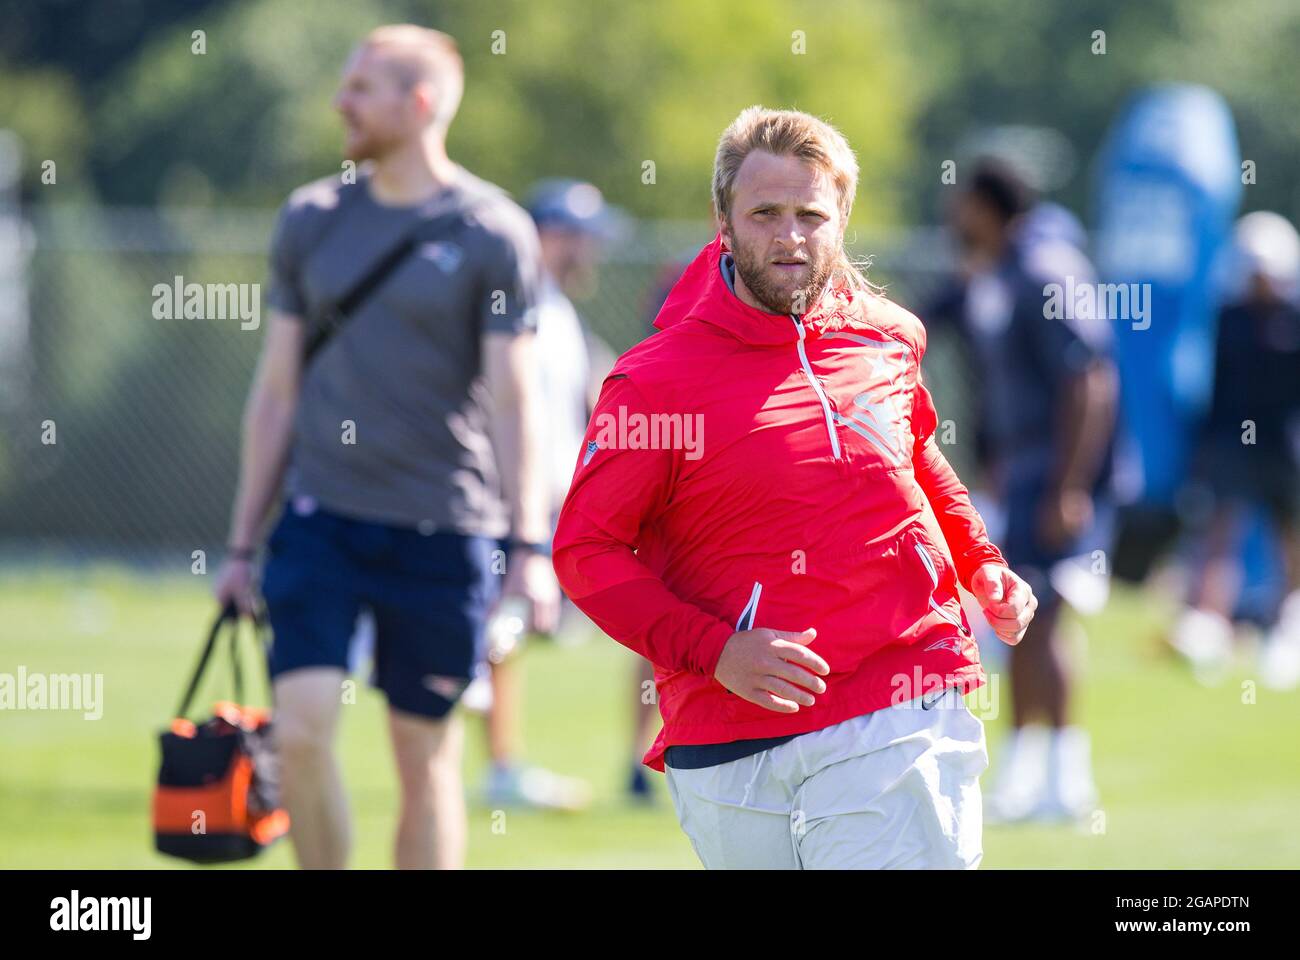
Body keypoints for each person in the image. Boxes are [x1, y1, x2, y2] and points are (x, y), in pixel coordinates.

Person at [552, 107, 1037, 869]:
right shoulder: (654, 380)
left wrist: (981, 563)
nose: (790, 236)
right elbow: (587, 550)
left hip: (899, 695)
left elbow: (914, 455)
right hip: (727, 733)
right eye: (765, 213)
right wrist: (717, 651)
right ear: (723, 219)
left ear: (842, 215)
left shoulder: (890, 336)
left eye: (811, 213)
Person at [212, 24, 559, 869]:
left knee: (425, 756)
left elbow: (517, 401)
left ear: (421, 103)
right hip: (320, 519)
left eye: (361, 88)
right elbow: (277, 393)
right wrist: (238, 544)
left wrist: (530, 545)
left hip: (444, 531)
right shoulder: (311, 218)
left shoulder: (491, 230)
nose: (341, 103)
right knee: (301, 733)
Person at [935, 158, 1118, 823]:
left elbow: (1089, 378)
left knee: (1046, 618)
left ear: (988, 205)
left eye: (963, 201)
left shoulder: (1045, 270)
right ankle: (1027, 774)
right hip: (1022, 473)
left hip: (1054, 473)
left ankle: (1066, 781)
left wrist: (1069, 487)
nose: (953, 215)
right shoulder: (998, 271)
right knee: (1022, 625)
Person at [467, 179, 619, 811]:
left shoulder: (557, 309)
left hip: (542, 499)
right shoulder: (518, 298)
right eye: (583, 237)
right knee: (494, 630)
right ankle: (499, 766)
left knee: (504, 633)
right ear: (552, 234)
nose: (593, 253)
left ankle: (501, 761)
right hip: (505, 497)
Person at [1172, 211, 1300, 689]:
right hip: (1232, 443)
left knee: (1287, 537)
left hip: (1281, 447)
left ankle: (1287, 625)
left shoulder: (1292, 319)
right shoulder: (1229, 318)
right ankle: (1210, 626)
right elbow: (1217, 386)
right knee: (1220, 532)